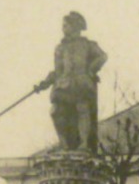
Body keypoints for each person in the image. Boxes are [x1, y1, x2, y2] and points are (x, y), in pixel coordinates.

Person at [34, 11, 108, 151]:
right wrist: (44, 83)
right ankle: (64, 144)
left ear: (75, 27)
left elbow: (103, 56)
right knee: (55, 111)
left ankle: (84, 144)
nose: (63, 28)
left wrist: (91, 70)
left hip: (81, 82)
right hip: (64, 84)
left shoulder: (87, 45)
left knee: (82, 109)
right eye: (63, 26)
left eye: (66, 25)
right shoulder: (60, 48)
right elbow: (57, 70)